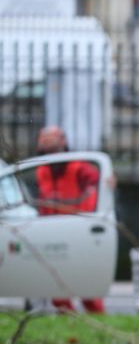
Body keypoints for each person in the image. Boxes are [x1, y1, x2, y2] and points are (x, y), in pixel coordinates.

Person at [32, 125, 105, 314]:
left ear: (63, 144)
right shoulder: (41, 170)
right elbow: (42, 200)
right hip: (52, 230)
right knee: (56, 286)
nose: (50, 153)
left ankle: (96, 315)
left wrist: (109, 181)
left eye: (53, 146)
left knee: (84, 282)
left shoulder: (78, 167)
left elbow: (100, 180)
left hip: (76, 230)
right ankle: (69, 318)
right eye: (46, 148)